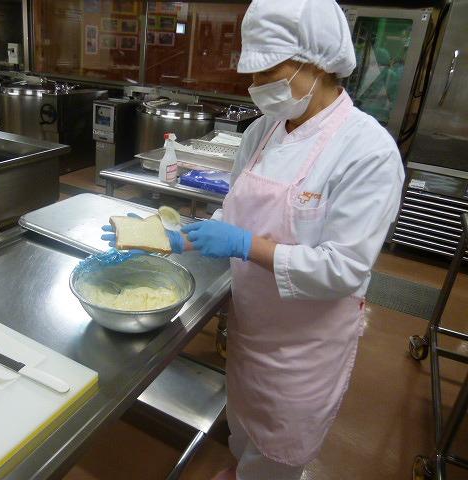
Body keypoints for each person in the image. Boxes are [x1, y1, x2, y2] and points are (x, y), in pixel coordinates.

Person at [104, 0, 404, 478]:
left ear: (318, 62)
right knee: (243, 422)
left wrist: (245, 245)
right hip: (252, 322)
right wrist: (181, 237)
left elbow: (343, 269)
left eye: (270, 71)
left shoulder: (368, 151)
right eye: (253, 72)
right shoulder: (263, 131)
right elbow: (236, 210)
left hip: (305, 346)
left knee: (279, 447)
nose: (258, 85)